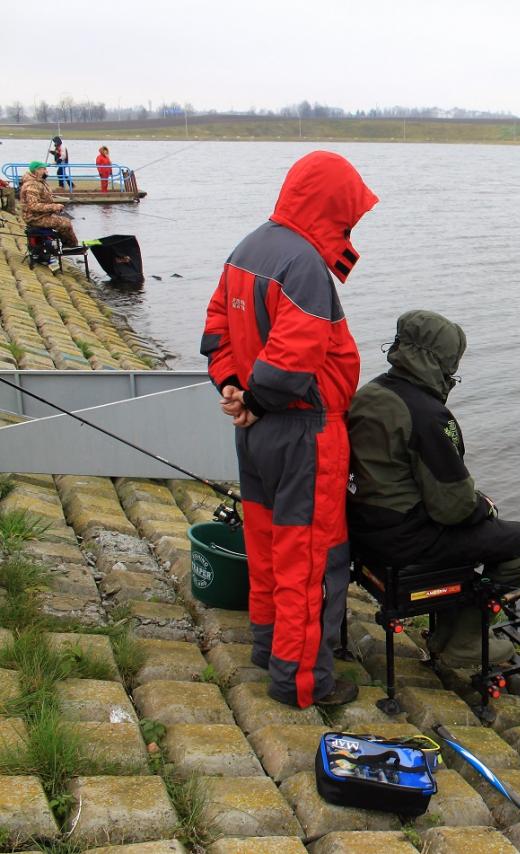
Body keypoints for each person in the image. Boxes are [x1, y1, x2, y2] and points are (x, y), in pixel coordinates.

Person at [200, 151, 379, 709]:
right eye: (348, 214)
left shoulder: (249, 247)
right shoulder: (303, 263)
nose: (351, 226)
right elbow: (294, 356)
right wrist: (256, 397)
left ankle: (268, 648)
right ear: (329, 205)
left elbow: (216, 330)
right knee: (310, 560)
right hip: (304, 433)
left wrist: (233, 387)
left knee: (267, 545)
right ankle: (302, 681)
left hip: (257, 434)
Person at [346, 309, 520, 667]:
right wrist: (485, 507)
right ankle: (465, 642)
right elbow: (455, 507)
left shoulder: (370, 393)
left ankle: (445, 635)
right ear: (441, 361)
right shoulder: (426, 415)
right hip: (404, 542)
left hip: (362, 533)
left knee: (478, 537)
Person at [18, 162, 78, 246]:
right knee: (65, 223)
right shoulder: (32, 185)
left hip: (41, 215)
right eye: (44, 169)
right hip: (34, 218)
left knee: (65, 220)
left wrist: (54, 206)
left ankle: (65, 245)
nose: (46, 171)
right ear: (37, 170)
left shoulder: (39, 181)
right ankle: (71, 246)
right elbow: (33, 205)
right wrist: (54, 207)